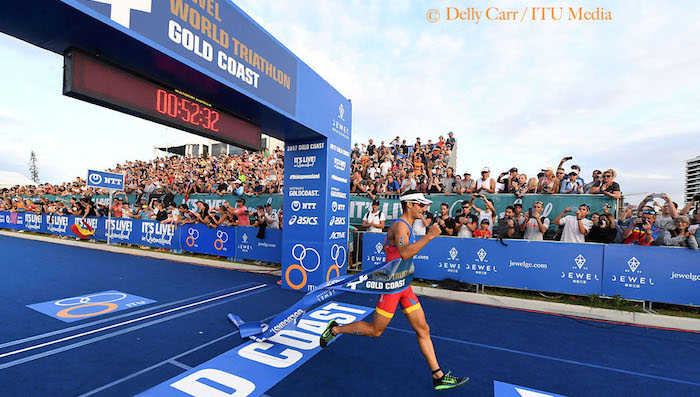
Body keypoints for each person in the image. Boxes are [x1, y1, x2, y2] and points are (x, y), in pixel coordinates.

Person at [319, 191, 469, 391]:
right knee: (376, 331)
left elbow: (388, 246)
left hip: (403, 286)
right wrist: (430, 236)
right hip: (391, 288)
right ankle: (335, 329)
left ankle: (438, 376)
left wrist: (389, 247)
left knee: (423, 329)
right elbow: (405, 252)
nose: (424, 209)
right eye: (420, 205)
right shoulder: (400, 226)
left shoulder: (402, 227)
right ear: (409, 205)